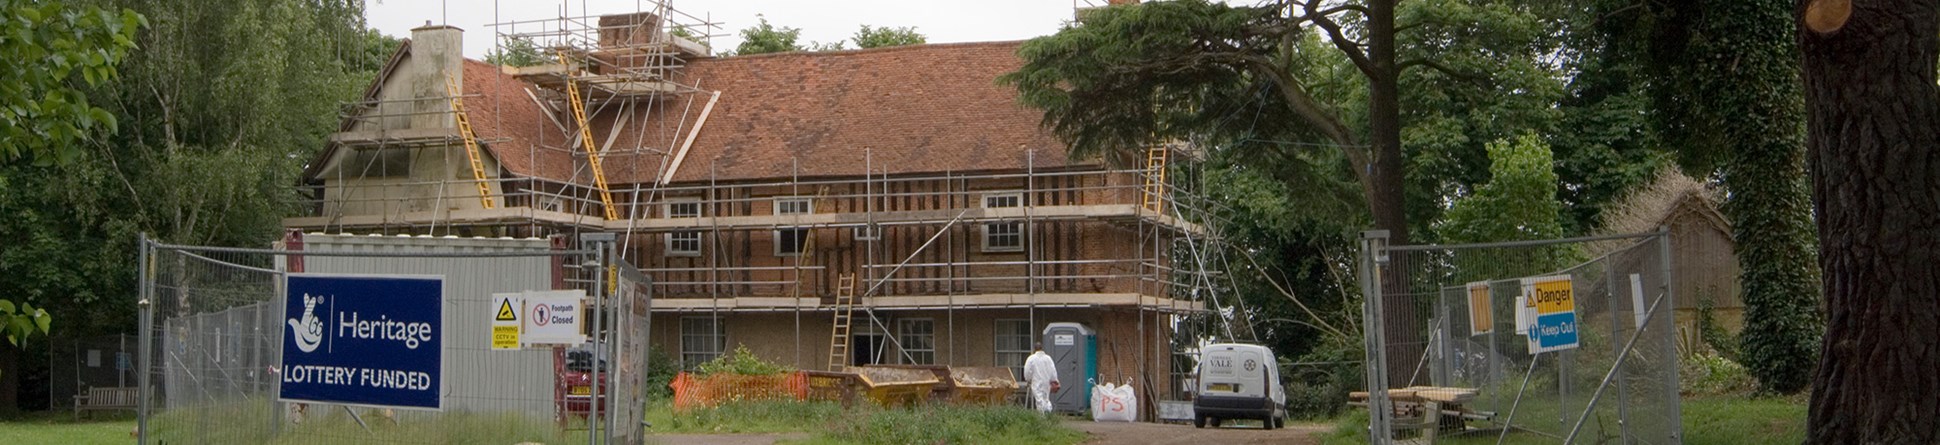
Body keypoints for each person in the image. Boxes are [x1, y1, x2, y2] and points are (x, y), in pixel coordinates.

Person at [1023, 342, 1060, 414]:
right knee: (1046, 398)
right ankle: (1048, 413)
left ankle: (1042, 417)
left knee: (1039, 399)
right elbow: (1053, 370)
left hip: (1036, 381)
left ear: (1034, 349)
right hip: (1046, 381)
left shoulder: (1031, 359)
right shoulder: (1048, 358)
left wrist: (1028, 379)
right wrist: (1054, 380)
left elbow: (1027, 371)